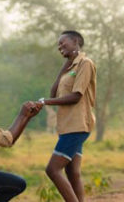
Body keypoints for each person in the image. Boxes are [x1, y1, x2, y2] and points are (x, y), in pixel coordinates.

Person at [38, 30, 96, 202]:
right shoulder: (70, 67)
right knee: (72, 172)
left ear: (76, 41)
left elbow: (76, 96)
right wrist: (64, 68)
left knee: (53, 170)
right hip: (67, 126)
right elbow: (54, 93)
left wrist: (44, 102)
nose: (60, 47)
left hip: (77, 125)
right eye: (58, 45)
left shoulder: (85, 63)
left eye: (63, 43)